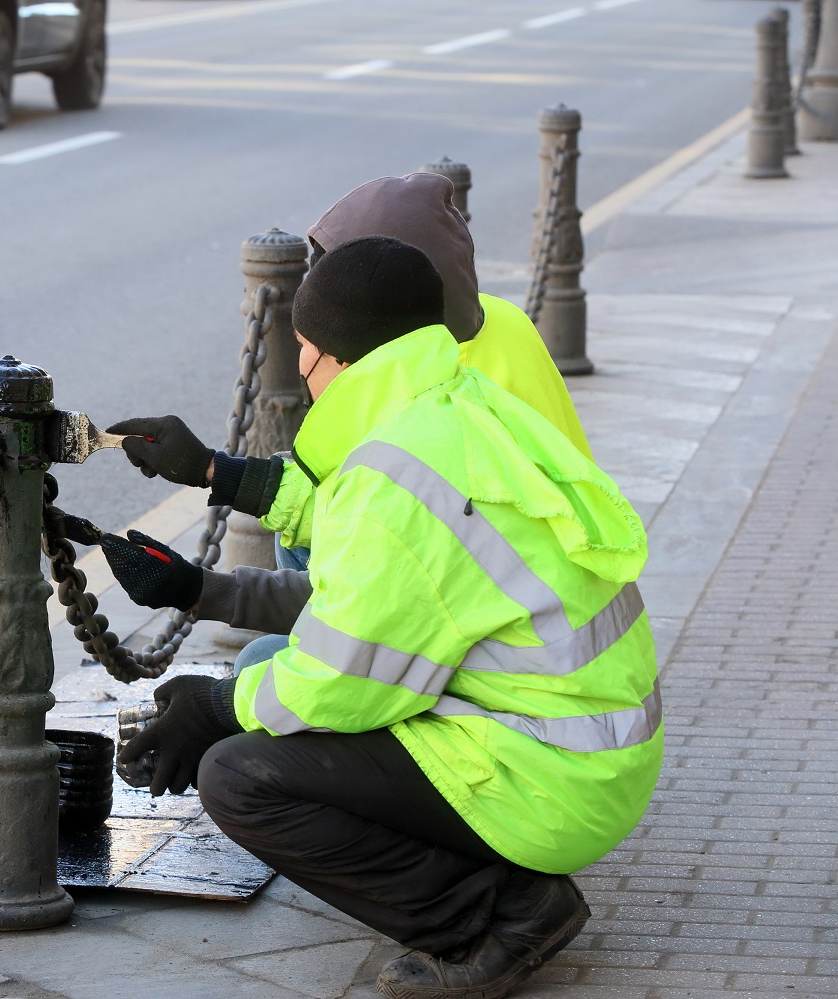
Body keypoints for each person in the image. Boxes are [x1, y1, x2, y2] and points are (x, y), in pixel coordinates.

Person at [104, 237, 661, 999]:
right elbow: (357, 558)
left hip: (552, 774)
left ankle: (502, 915)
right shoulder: (450, 405)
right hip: (582, 740)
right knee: (263, 676)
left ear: (333, 355)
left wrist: (212, 708)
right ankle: (488, 880)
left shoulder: (396, 475)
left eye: (302, 348)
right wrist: (211, 474)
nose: (299, 367)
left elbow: (341, 678)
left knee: (240, 775)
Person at [107, 171, 595, 663]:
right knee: (296, 547)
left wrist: (205, 604)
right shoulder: (487, 323)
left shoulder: (432, 386)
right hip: (522, 589)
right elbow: (352, 503)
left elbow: (381, 554)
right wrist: (213, 470)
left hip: (505, 644)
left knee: (262, 663)